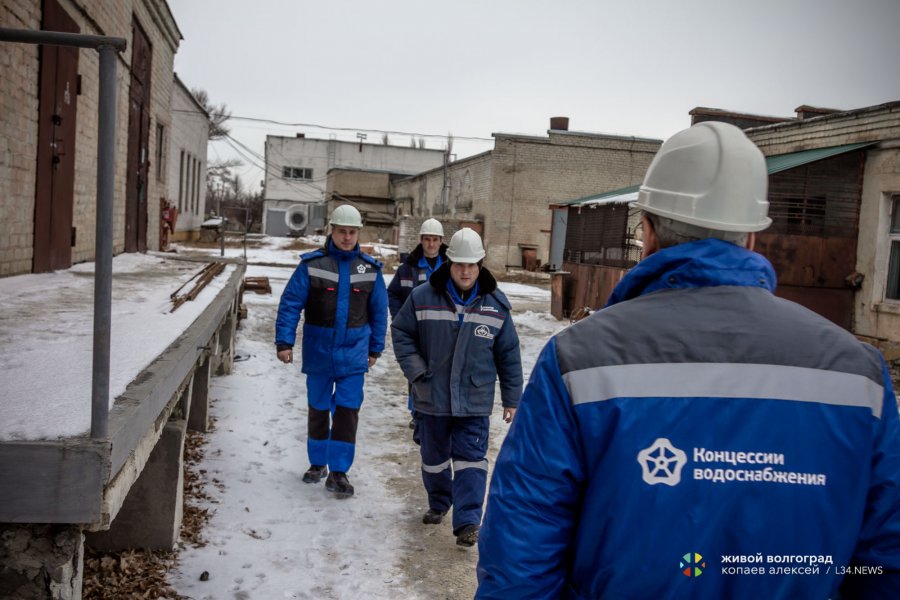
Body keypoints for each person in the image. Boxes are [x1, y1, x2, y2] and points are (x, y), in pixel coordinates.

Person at [476, 122, 900, 598]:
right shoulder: (860, 376)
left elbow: (523, 546)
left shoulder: (580, 359)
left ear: (649, 232)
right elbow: (885, 558)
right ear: (752, 239)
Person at [391, 227, 523, 547]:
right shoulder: (422, 297)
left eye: (472, 264)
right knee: (434, 459)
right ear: (449, 263)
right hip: (431, 396)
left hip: (474, 399)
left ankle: (467, 522)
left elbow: (509, 355)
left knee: (471, 461)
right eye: (460, 264)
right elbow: (402, 334)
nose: (466, 271)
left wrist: (512, 399)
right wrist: (417, 372)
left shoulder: (495, 305)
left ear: (481, 264)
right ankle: (439, 503)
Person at [275, 204, 388, 499]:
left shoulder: (370, 270)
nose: (347, 237)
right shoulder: (312, 266)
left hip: (354, 354)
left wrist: (375, 348)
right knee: (319, 409)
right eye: (342, 231)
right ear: (332, 231)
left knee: (348, 413)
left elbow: (379, 313)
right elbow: (290, 304)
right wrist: (284, 342)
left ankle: (339, 471)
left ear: (358, 233)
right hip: (319, 352)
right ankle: (317, 463)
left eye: (352, 232)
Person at [387, 218, 448, 430]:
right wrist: (399, 317)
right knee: (416, 371)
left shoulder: (452, 266)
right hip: (416, 331)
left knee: (442, 370)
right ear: (421, 241)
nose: (431, 244)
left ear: (441, 241)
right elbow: (393, 293)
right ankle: (416, 412)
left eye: (435, 240)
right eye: (427, 239)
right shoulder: (407, 269)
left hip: (444, 330)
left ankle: (438, 409)